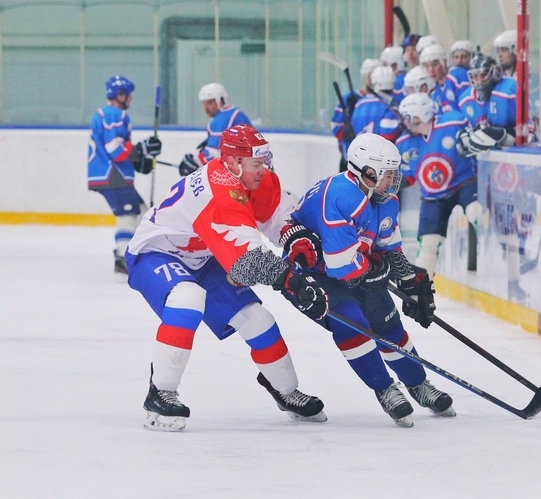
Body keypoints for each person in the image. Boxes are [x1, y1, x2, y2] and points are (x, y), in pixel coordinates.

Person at [125, 124, 330, 432]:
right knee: (188, 297)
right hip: (156, 252)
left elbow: (277, 214)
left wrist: (294, 237)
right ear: (233, 162)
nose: (263, 170)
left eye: (264, 161)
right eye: (257, 163)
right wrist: (292, 281)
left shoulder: (250, 176)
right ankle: (161, 392)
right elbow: (248, 262)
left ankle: (286, 391)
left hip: (204, 257)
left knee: (257, 318)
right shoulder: (221, 192)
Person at [283, 133, 455, 428]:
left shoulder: (385, 200)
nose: (393, 181)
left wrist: (409, 280)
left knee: (386, 320)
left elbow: (389, 249)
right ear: (367, 172)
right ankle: (384, 388)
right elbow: (341, 267)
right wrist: (378, 270)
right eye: (387, 175)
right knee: (352, 322)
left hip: (353, 266)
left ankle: (417, 383)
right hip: (311, 275)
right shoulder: (339, 196)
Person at [396, 92, 479, 278]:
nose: (405, 122)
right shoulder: (403, 143)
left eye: (408, 117)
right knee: (428, 243)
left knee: (477, 212)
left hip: (464, 183)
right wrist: (389, 185)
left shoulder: (454, 123)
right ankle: (422, 290)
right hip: (432, 196)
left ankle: (498, 258)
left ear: (420, 114)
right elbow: (409, 177)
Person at [87, 75, 162, 276]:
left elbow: (118, 150)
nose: (131, 98)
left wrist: (139, 159)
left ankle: (133, 253)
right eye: (128, 95)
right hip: (112, 174)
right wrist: (141, 149)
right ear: (120, 95)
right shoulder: (115, 114)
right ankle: (123, 257)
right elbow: (115, 150)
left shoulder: (104, 114)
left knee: (143, 213)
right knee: (128, 215)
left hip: (111, 174)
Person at [178, 83, 252, 177]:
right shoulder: (235, 112)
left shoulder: (222, 119)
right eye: (204, 103)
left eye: (209, 103)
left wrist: (195, 162)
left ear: (221, 101)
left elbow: (214, 153)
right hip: (254, 170)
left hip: (246, 174)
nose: (205, 108)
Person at [331, 58, 381, 172]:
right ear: (363, 77)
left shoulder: (382, 100)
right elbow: (335, 126)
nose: (373, 80)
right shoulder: (348, 98)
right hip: (350, 158)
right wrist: (348, 133)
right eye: (370, 76)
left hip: (376, 159)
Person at [458, 52, 517, 138]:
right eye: (475, 76)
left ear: (495, 72)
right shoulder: (465, 100)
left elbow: (527, 127)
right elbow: (469, 128)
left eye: (483, 74)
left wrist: (510, 135)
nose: (479, 80)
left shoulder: (509, 90)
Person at [350, 65, 402, 142]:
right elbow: (388, 136)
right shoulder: (390, 104)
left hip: (361, 147)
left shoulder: (359, 104)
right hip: (380, 148)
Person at [420, 44, 470, 115]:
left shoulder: (458, 76)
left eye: (434, 65)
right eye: (427, 66)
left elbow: (469, 108)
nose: (431, 70)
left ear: (444, 62)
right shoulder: (435, 92)